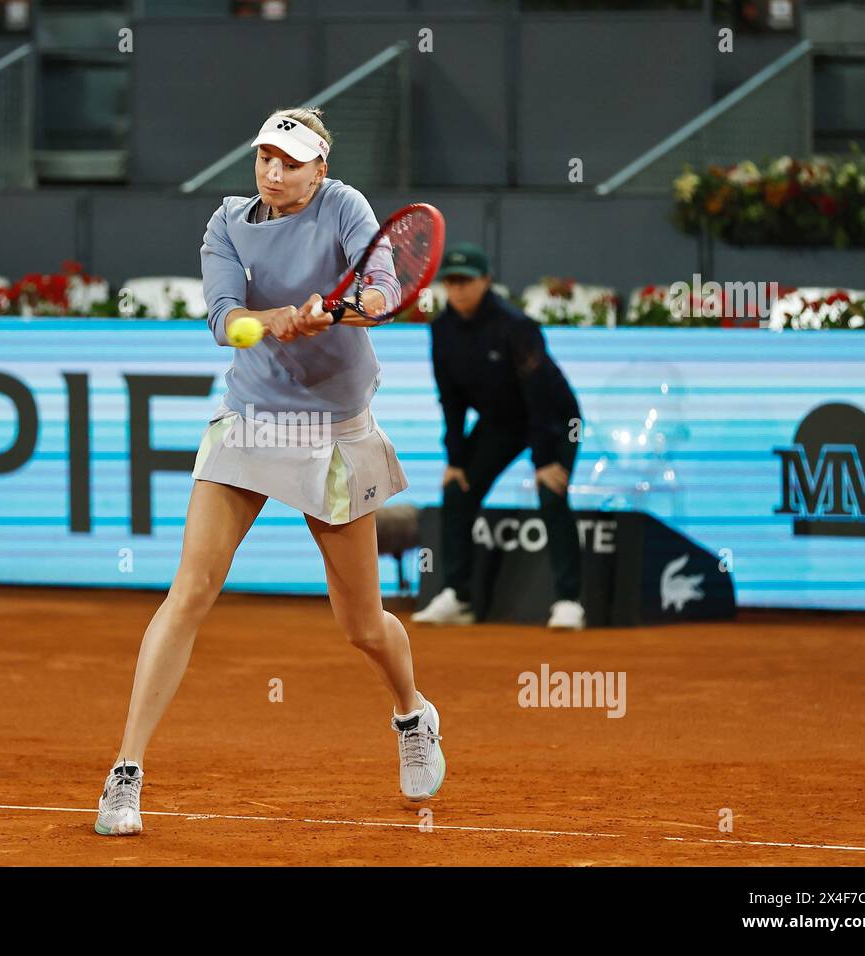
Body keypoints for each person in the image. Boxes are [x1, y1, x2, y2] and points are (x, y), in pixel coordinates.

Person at [93, 106, 446, 836]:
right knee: (189, 591)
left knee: (360, 626)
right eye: (264, 157)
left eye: (289, 160)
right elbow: (225, 318)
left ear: (320, 167)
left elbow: (383, 286)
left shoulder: (345, 205)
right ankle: (125, 773)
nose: (274, 171)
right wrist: (274, 319)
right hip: (253, 419)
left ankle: (411, 712)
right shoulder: (226, 222)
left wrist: (349, 309)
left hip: (334, 430)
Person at [412, 243, 587, 629]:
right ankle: (459, 597)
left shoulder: (517, 326)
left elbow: (538, 394)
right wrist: (455, 459)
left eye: (466, 281)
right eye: (451, 282)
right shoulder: (441, 330)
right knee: (457, 491)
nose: (457, 289)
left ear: (486, 282)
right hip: (500, 422)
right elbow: (451, 399)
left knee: (550, 492)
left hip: (554, 419)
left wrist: (544, 461)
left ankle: (569, 601)